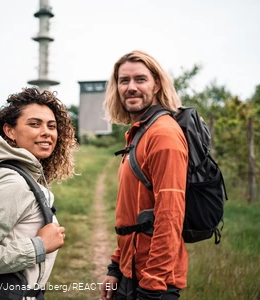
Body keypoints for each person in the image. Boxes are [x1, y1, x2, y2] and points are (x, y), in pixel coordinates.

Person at [0, 87, 78, 300]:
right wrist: (39, 246)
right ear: (9, 131)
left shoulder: (19, 174)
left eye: (52, 126)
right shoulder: (12, 183)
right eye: (34, 124)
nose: (47, 132)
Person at [101, 50, 189, 300]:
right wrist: (116, 268)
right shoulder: (140, 132)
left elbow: (170, 215)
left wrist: (153, 284)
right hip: (131, 272)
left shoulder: (163, 134)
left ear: (156, 84)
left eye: (140, 79)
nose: (131, 87)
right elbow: (131, 211)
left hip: (154, 280)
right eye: (123, 80)